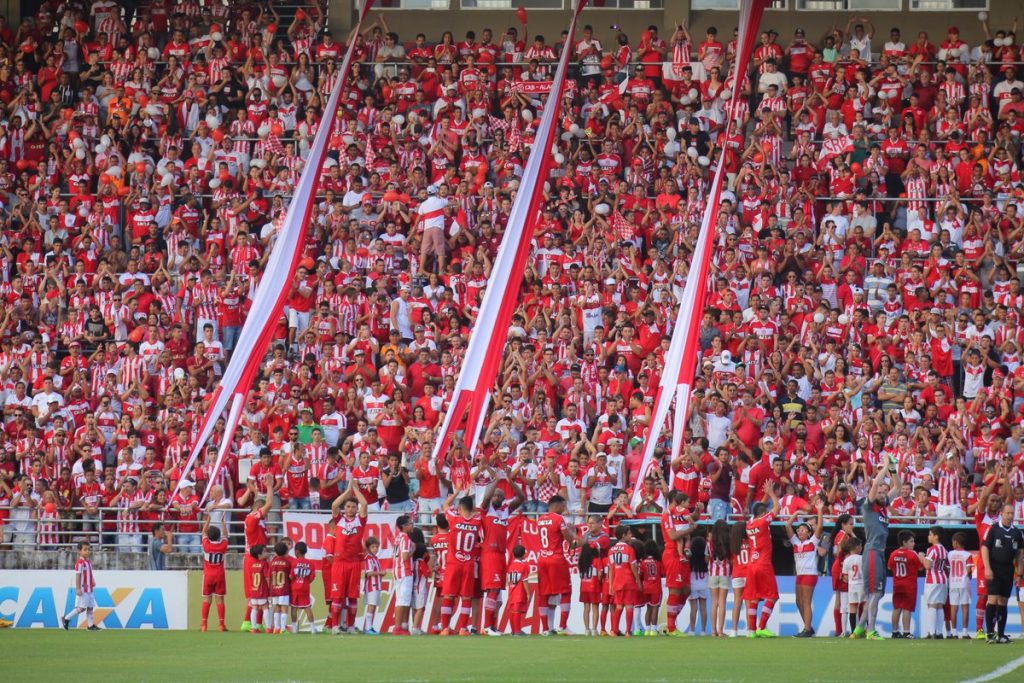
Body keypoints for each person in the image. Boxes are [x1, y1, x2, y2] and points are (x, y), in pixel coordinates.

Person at [852, 462, 899, 640]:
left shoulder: (883, 505)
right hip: (872, 551)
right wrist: (885, 466)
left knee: (872, 593)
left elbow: (898, 487)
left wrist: (893, 470)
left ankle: (858, 630)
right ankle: (870, 630)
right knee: (876, 593)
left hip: (878, 552)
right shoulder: (869, 506)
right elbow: (874, 486)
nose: (882, 494)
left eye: (883, 492)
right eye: (879, 492)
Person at [480, 474, 524, 635]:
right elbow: (486, 497)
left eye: (500, 495)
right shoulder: (486, 509)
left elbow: (521, 497)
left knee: (497, 591)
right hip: (489, 553)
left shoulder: (506, 509)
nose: (497, 497)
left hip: (500, 554)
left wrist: (511, 482)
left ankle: (492, 626)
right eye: (495, 495)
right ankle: (486, 626)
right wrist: (497, 480)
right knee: (493, 589)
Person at [440, 488, 484, 635]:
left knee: (448, 595)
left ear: (459, 508)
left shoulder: (454, 518)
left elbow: (445, 505)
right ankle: (463, 628)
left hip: (453, 563)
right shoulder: (477, 520)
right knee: (467, 597)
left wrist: (458, 490)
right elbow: (481, 510)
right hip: (468, 564)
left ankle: (445, 628)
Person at [329, 480, 369, 634]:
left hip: (355, 563)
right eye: (348, 506)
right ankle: (335, 626)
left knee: (353, 597)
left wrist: (355, 489)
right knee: (338, 597)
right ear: (344, 508)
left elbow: (364, 504)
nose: (351, 509)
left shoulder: (360, 519)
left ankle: (351, 626)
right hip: (339, 563)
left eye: (353, 507)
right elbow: (333, 505)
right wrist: (347, 491)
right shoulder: (339, 520)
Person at [742, 481, 780, 637]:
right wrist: (771, 494)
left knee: (754, 597)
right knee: (772, 596)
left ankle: (751, 631)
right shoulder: (764, 522)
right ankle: (762, 626)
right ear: (763, 513)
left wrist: (765, 494)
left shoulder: (749, 524)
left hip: (751, 565)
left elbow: (758, 508)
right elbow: (776, 508)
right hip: (763, 564)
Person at [536, 494, 579, 634]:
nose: (564, 508)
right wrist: (572, 537)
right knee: (566, 591)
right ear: (557, 505)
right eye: (563, 505)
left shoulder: (540, 519)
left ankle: (545, 629)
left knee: (544, 594)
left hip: (542, 559)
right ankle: (562, 626)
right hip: (556, 559)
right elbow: (568, 538)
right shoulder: (558, 518)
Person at [982, 503, 1024, 644]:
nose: (1010, 516)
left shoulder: (1017, 533)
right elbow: (985, 548)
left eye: (1012, 513)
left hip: (1008, 570)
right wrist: (987, 567)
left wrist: (1019, 572)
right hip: (994, 568)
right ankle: (989, 633)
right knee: (992, 599)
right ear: (1001, 513)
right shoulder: (994, 529)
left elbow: (1019, 554)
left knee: (1003, 601)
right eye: (1007, 513)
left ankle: (1001, 634)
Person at [784, 500, 824, 637]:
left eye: (803, 530)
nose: (799, 531)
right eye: (799, 529)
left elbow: (819, 527)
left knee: (806, 602)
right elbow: (787, 525)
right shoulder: (796, 543)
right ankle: (808, 627)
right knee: (798, 601)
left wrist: (819, 510)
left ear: (808, 533)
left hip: (810, 574)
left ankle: (807, 629)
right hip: (800, 574)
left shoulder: (812, 542)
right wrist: (795, 513)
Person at [661, 490, 696, 636]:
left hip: (681, 556)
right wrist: (689, 530)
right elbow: (673, 535)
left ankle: (672, 621)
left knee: (686, 589)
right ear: (675, 499)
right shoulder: (667, 515)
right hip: (672, 553)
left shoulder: (679, 513)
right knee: (675, 589)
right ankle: (671, 627)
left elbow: (692, 517)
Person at [240, 493, 274, 632]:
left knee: (262, 591)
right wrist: (270, 487)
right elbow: (269, 504)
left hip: (259, 557)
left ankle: (258, 623)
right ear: (258, 509)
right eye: (264, 511)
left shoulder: (260, 522)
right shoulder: (252, 518)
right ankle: (247, 622)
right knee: (254, 592)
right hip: (252, 558)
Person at [887, 530, 924, 639]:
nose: (914, 544)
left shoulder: (893, 553)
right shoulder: (912, 554)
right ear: (904, 542)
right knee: (907, 608)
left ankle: (894, 631)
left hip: (897, 584)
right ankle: (906, 632)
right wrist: (921, 557)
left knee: (897, 608)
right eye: (911, 541)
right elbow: (921, 567)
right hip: (909, 585)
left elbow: (889, 567)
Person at [608, 525, 640, 637]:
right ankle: (627, 631)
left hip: (617, 582)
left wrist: (610, 585)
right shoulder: (629, 549)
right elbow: (633, 567)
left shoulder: (611, 550)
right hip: (629, 581)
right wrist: (638, 581)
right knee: (629, 606)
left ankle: (614, 630)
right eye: (629, 533)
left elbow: (611, 569)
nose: (631, 535)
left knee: (619, 606)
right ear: (623, 535)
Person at [61, 542, 99, 630]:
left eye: (88, 549)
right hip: (83, 588)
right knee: (82, 608)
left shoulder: (88, 562)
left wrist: (92, 580)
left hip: (89, 588)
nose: (87, 551)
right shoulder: (80, 563)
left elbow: (89, 573)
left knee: (90, 607)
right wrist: (78, 588)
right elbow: (78, 575)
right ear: (79, 551)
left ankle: (90, 625)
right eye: (85, 550)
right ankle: (66, 618)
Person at [922, 526, 950, 639]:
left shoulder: (932, 549)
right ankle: (939, 632)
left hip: (933, 579)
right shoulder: (944, 550)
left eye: (930, 534)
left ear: (936, 536)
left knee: (932, 604)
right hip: (943, 579)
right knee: (939, 605)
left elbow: (927, 565)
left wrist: (922, 558)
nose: (929, 537)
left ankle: (932, 632)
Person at [200, 519, 228, 632]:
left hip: (208, 575)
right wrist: (223, 523)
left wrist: (207, 521)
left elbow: (203, 532)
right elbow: (225, 534)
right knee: (220, 599)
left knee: (207, 599)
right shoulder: (223, 545)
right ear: (218, 536)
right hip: (219, 575)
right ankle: (221, 625)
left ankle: (204, 625)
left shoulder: (206, 545)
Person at [392, 515, 415, 635]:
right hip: (404, 571)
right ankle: (397, 627)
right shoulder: (405, 538)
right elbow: (405, 556)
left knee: (399, 600)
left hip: (397, 570)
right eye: (410, 523)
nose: (412, 525)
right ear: (404, 526)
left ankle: (398, 626)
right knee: (403, 600)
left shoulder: (398, 537)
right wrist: (413, 550)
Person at [708, 520, 732, 638]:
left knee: (714, 602)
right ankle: (721, 631)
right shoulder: (729, 542)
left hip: (712, 573)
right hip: (725, 573)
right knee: (722, 602)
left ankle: (713, 631)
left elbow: (706, 559)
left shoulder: (709, 543)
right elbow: (732, 559)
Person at [948, 532, 972, 640]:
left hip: (952, 582)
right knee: (965, 607)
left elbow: (948, 568)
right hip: (964, 582)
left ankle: (954, 632)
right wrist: (967, 576)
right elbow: (969, 570)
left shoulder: (950, 554)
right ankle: (965, 632)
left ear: (956, 542)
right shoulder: (967, 555)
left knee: (953, 607)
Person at [289, 541, 318, 634]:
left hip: (294, 588)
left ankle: (294, 628)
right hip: (305, 588)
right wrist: (306, 582)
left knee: (294, 607)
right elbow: (312, 577)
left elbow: (291, 576)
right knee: (307, 607)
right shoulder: (310, 563)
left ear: (297, 552)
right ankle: (312, 628)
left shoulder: (293, 562)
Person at [578, 542, 604, 636]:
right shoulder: (597, 560)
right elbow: (600, 574)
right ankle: (594, 629)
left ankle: (586, 629)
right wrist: (600, 580)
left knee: (586, 608)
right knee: (595, 608)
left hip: (584, 587)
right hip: (594, 587)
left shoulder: (581, 561)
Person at [686, 534, 710, 636]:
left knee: (693, 608)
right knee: (703, 608)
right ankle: (703, 631)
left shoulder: (691, 560)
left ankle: (692, 630)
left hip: (693, 584)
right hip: (704, 583)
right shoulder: (705, 560)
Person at [841, 537, 864, 637]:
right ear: (858, 547)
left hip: (852, 586)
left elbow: (845, 577)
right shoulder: (863, 558)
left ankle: (854, 632)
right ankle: (867, 630)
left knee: (852, 608)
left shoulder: (846, 560)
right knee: (865, 607)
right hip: (862, 585)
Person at [246, 544, 271, 634]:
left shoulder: (252, 565)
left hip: (254, 590)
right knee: (265, 607)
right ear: (259, 555)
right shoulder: (264, 564)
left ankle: (253, 628)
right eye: (264, 552)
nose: (266, 553)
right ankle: (268, 628)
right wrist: (269, 589)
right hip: (262, 590)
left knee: (254, 608)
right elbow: (267, 577)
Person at [506, 545, 531, 636]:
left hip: (511, 591)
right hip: (519, 592)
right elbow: (525, 581)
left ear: (513, 554)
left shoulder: (511, 566)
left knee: (512, 611)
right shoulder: (524, 566)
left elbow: (508, 581)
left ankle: (514, 630)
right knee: (516, 611)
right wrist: (528, 593)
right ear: (524, 554)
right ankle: (517, 631)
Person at [361, 537, 384, 634]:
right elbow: (368, 573)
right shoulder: (368, 558)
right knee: (371, 606)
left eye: (377, 547)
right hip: (371, 585)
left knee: (373, 606)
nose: (375, 549)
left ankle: (370, 627)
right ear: (368, 548)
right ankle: (368, 627)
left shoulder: (375, 558)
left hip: (377, 585)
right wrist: (380, 573)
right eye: (373, 547)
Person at [268, 541, 292, 635]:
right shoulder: (287, 562)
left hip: (274, 588)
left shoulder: (272, 562)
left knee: (277, 607)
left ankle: (276, 628)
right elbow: (290, 576)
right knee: (284, 608)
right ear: (286, 551)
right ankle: (283, 629)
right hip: (283, 589)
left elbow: (269, 576)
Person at [640, 539, 663, 636]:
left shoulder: (643, 562)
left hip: (646, 588)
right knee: (655, 608)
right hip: (656, 588)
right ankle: (653, 629)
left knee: (648, 608)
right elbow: (662, 573)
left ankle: (647, 630)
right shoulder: (658, 562)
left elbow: (640, 574)